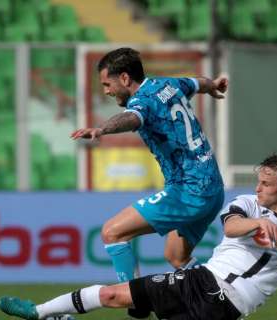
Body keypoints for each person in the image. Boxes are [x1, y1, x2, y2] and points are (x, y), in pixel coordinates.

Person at [0, 154, 277, 320]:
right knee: (119, 295)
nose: (259, 186)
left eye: (266, 183)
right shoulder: (246, 205)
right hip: (201, 278)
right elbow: (231, 226)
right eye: (259, 180)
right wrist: (255, 224)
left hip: (228, 305)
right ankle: (39, 312)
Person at [70, 48, 227, 317]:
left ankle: (136, 301)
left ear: (125, 77)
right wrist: (213, 85)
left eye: (108, 84)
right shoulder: (166, 84)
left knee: (112, 232)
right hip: (213, 187)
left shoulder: (142, 102)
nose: (107, 91)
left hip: (189, 190)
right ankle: (217, 298)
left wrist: (102, 129)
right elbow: (196, 83)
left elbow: (132, 118)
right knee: (176, 257)